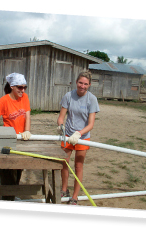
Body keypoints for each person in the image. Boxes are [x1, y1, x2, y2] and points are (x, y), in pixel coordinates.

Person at [57, 70, 100, 205]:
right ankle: (64, 189)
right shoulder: (68, 96)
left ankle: (74, 197)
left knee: (78, 166)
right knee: (64, 163)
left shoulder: (91, 99)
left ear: (89, 85)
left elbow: (91, 124)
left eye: (85, 84)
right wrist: (60, 126)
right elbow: (61, 117)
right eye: (80, 83)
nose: (82, 86)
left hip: (82, 136)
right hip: (68, 135)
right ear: (76, 82)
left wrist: (79, 134)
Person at [0, 72, 31, 200]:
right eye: (20, 87)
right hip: (8, 142)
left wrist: (27, 131)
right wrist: (2, 132)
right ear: (12, 86)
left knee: (18, 170)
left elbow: (28, 116)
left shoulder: (25, 97)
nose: (22, 90)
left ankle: (12, 195)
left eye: (24, 87)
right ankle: (7, 199)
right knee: (7, 171)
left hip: (22, 140)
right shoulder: (4, 100)